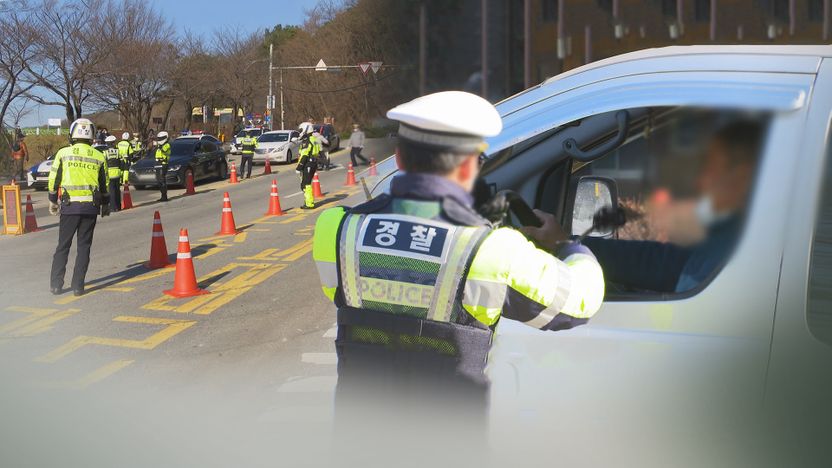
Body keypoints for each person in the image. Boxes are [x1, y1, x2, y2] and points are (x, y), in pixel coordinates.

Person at [312, 91, 605, 427]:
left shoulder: (335, 229)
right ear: (469, 166)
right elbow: (579, 303)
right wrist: (565, 244)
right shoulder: (491, 250)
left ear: (400, 158)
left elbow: (359, 289)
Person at [532, 121, 762, 294]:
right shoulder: (731, 236)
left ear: (742, 177)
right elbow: (667, 263)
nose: (701, 181)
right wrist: (569, 246)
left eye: (712, 168)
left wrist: (568, 248)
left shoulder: (743, 248)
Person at [48, 118, 109, 297]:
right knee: (84, 247)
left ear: (73, 133)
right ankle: (78, 286)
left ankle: (56, 285)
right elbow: (104, 184)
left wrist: (52, 200)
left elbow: (54, 179)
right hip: (90, 208)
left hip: (69, 208)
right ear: (91, 135)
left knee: (63, 246)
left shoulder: (63, 153)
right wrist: (105, 205)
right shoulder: (98, 156)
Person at [295, 122, 320, 209]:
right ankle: (308, 202)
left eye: (301, 130)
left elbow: (305, 154)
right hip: (313, 163)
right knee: (306, 183)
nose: (300, 132)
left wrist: (299, 167)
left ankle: (309, 203)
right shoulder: (315, 139)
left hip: (307, 164)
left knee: (306, 184)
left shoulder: (307, 141)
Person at [103, 135, 122, 213]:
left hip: (110, 174)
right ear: (113, 143)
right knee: (117, 191)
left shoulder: (105, 152)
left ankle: (113, 207)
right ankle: (118, 206)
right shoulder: (118, 151)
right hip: (117, 173)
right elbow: (121, 161)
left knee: (112, 191)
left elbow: (103, 164)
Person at [154, 131, 171, 202]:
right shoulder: (159, 146)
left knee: (162, 180)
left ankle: (164, 196)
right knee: (158, 181)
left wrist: (159, 145)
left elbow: (164, 151)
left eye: (161, 138)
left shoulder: (167, 145)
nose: (159, 139)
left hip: (163, 163)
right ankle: (162, 195)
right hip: (158, 163)